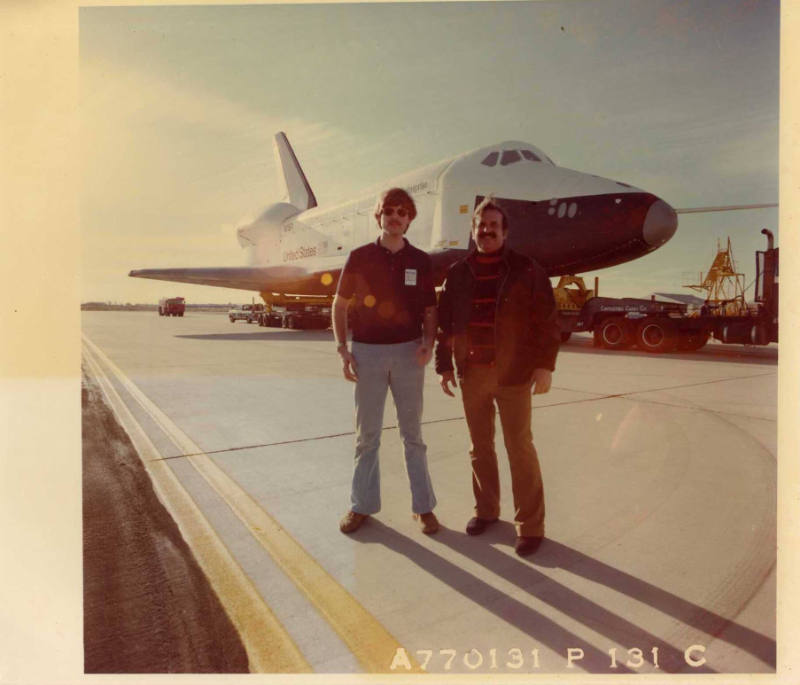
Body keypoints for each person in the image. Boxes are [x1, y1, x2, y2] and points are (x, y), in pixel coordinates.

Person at [435, 197, 560, 556]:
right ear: (472, 231)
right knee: (480, 447)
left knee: (519, 448)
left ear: (504, 232)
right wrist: (444, 365)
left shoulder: (527, 270)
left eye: (493, 226)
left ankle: (530, 526)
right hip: (473, 373)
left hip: (514, 375)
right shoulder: (458, 274)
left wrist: (544, 365)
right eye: (480, 226)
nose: (486, 231)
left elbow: (546, 321)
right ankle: (487, 510)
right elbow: (446, 326)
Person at [332, 187, 439, 535]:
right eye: (389, 210)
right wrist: (342, 348)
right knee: (367, 436)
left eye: (402, 211)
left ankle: (423, 508)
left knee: (413, 435)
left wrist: (428, 342)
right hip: (368, 353)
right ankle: (361, 505)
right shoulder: (360, 256)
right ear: (378, 215)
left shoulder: (421, 261)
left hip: (409, 354)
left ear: (409, 219)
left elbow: (429, 310)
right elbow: (339, 304)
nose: (395, 216)